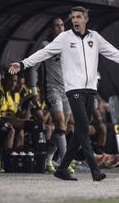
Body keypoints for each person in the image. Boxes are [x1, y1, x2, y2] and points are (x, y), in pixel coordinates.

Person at [9, 6, 119, 181]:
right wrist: (22, 64)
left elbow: (114, 53)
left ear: (86, 19)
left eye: (79, 17)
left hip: (90, 90)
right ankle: (95, 169)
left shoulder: (95, 37)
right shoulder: (64, 38)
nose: (75, 20)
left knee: (80, 130)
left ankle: (62, 168)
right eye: (73, 17)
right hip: (73, 89)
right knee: (84, 128)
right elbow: (43, 53)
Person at [26, 18, 71, 173]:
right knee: (59, 123)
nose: (59, 28)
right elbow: (32, 67)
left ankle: (48, 158)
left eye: (61, 25)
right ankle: (64, 164)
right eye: (56, 26)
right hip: (52, 89)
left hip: (68, 92)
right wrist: (33, 91)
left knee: (62, 128)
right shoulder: (46, 46)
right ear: (51, 30)